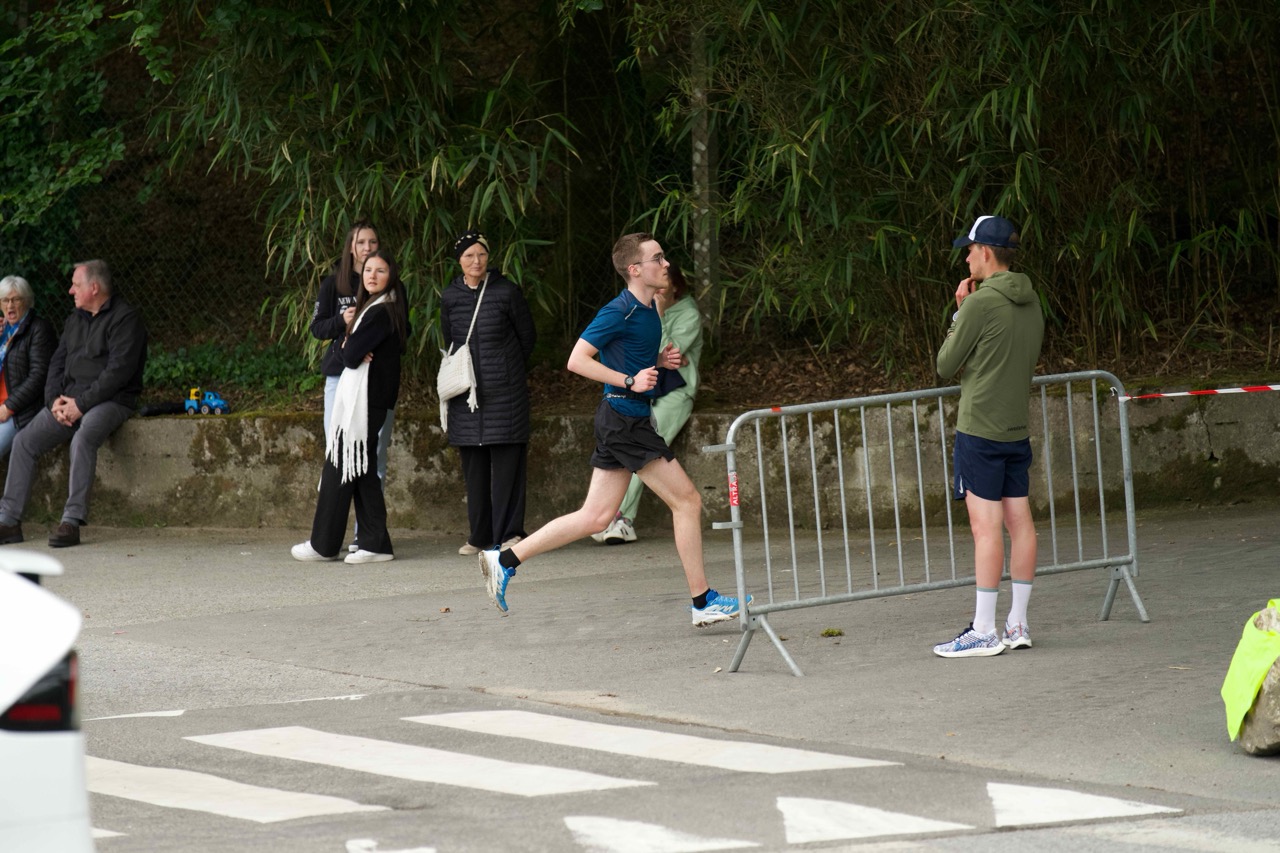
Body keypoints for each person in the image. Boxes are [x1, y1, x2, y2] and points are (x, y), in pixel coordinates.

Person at [478, 232, 747, 627]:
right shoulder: (618, 310)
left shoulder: (649, 308)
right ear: (635, 269)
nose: (666, 264)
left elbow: (629, 354)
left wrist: (659, 361)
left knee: (596, 517)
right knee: (687, 501)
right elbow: (577, 360)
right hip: (624, 419)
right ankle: (702, 600)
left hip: (622, 417)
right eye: (658, 258)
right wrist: (629, 381)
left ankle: (503, 560)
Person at [932, 215, 1045, 657]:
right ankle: (1017, 624)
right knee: (1021, 524)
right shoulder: (1031, 300)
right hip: (1016, 428)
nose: (966, 258)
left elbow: (945, 364)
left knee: (986, 529)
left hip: (979, 428)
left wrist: (960, 312)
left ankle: (983, 629)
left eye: (969, 250)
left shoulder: (980, 304)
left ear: (985, 252)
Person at [0, 260, 147, 548]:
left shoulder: (126, 320)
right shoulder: (75, 319)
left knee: (83, 437)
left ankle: (71, 521)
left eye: (75, 285)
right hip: (67, 401)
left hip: (111, 401)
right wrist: (54, 401)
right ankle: (8, 522)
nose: (70, 290)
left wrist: (80, 404)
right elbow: (55, 363)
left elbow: (117, 373)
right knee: (25, 441)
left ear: (94, 288)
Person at [293, 248, 408, 564]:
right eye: (368, 270)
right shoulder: (373, 307)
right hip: (366, 400)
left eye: (380, 271)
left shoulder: (382, 310)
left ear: (391, 277)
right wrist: (350, 347)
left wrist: (347, 345)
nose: (372, 275)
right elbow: (352, 352)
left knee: (340, 464)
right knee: (362, 468)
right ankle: (375, 543)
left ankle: (324, 544)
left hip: (367, 401)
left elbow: (351, 353)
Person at [441, 230, 537, 557]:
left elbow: (527, 337)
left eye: (481, 254)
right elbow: (451, 340)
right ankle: (479, 535)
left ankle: (510, 533)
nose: (476, 261)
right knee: (474, 468)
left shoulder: (506, 291)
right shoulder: (450, 296)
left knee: (509, 466)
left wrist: (507, 368)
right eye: (469, 255)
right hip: (466, 393)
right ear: (458, 260)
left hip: (505, 393)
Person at [592, 260, 701, 545]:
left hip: (675, 392)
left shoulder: (688, 313)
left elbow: (669, 352)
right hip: (641, 389)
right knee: (633, 453)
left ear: (675, 286)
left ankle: (622, 518)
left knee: (647, 453)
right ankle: (608, 516)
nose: (660, 290)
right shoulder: (633, 308)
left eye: (667, 280)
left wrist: (660, 315)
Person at [310, 219, 393, 551]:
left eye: (372, 242)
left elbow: (399, 330)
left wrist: (366, 343)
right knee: (338, 452)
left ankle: (365, 535)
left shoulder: (386, 285)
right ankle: (328, 536)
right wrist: (342, 324)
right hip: (339, 377)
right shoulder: (335, 283)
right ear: (350, 247)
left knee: (372, 455)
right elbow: (318, 328)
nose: (367, 248)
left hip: (372, 383)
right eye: (360, 242)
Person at [0, 276, 57, 459]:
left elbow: (39, 375)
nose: (10, 306)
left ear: (27, 301)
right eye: (5, 300)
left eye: (16, 299)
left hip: (19, 411)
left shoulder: (39, 329)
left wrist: (9, 407)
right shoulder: (3, 330)